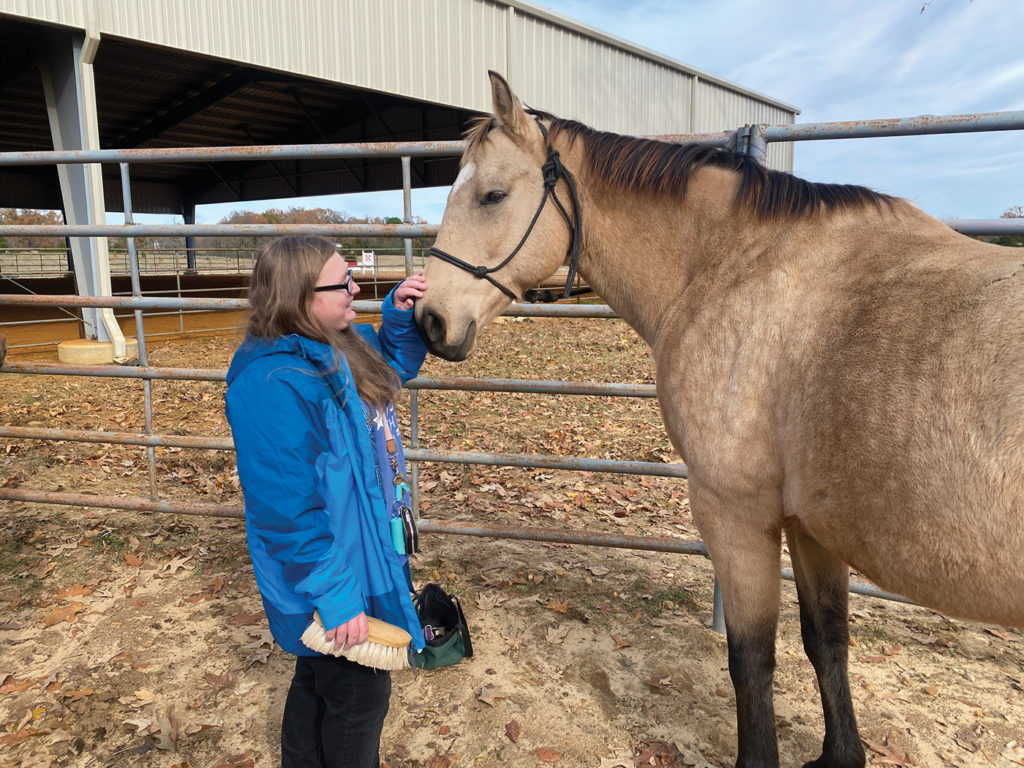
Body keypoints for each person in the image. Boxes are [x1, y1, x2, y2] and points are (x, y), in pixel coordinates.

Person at [225, 235, 429, 768]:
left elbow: (393, 368)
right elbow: (286, 512)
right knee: (361, 696)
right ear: (300, 295)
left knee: (316, 676)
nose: (356, 287)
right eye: (344, 282)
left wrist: (399, 319)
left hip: (358, 550)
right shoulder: (274, 381)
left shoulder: (340, 343)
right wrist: (336, 595)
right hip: (328, 568)